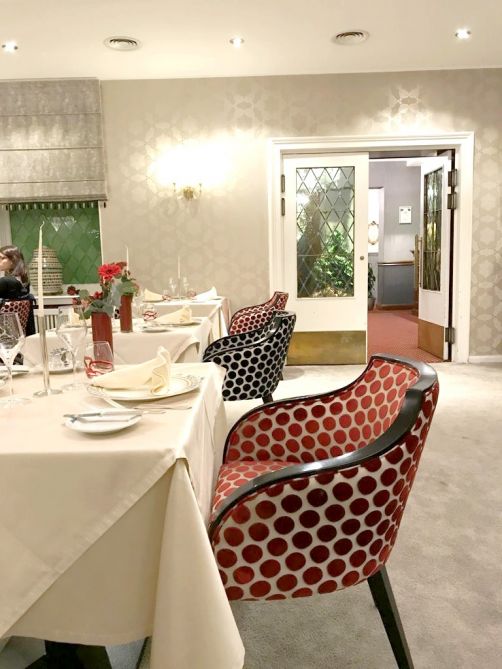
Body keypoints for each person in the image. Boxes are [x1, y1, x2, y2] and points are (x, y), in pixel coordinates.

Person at [0, 244, 36, 336]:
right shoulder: (24, 282)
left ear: (13, 260)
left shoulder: (5, 282)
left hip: (5, 332)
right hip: (17, 333)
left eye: (2, 258)